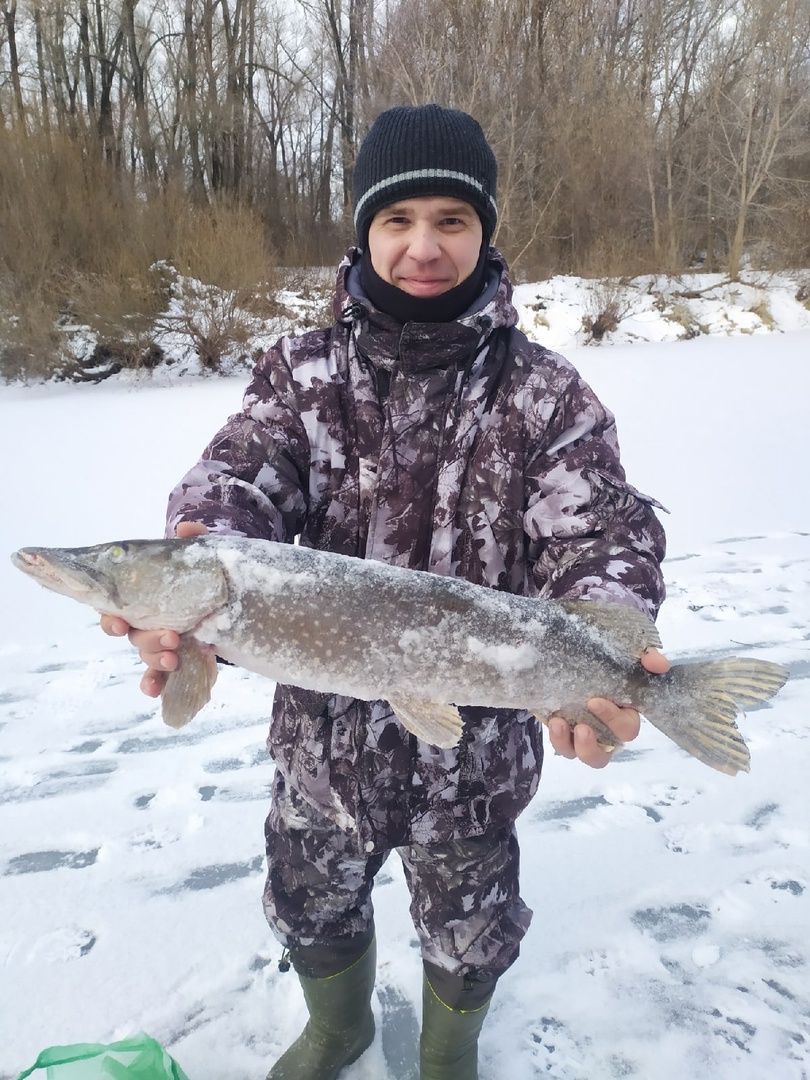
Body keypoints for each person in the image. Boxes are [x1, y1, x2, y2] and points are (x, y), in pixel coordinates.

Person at [102, 104, 668, 1080]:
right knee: (311, 905)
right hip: (323, 755)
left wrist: (613, 630)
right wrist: (202, 552)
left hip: (479, 761)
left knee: (471, 928)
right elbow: (237, 479)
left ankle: (449, 1058)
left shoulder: (547, 395)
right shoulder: (301, 374)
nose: (423, 245)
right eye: (397, 218)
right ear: (363, 231)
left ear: (485, 233)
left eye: (452, 219)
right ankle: (339, 1030)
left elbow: (601, 529)